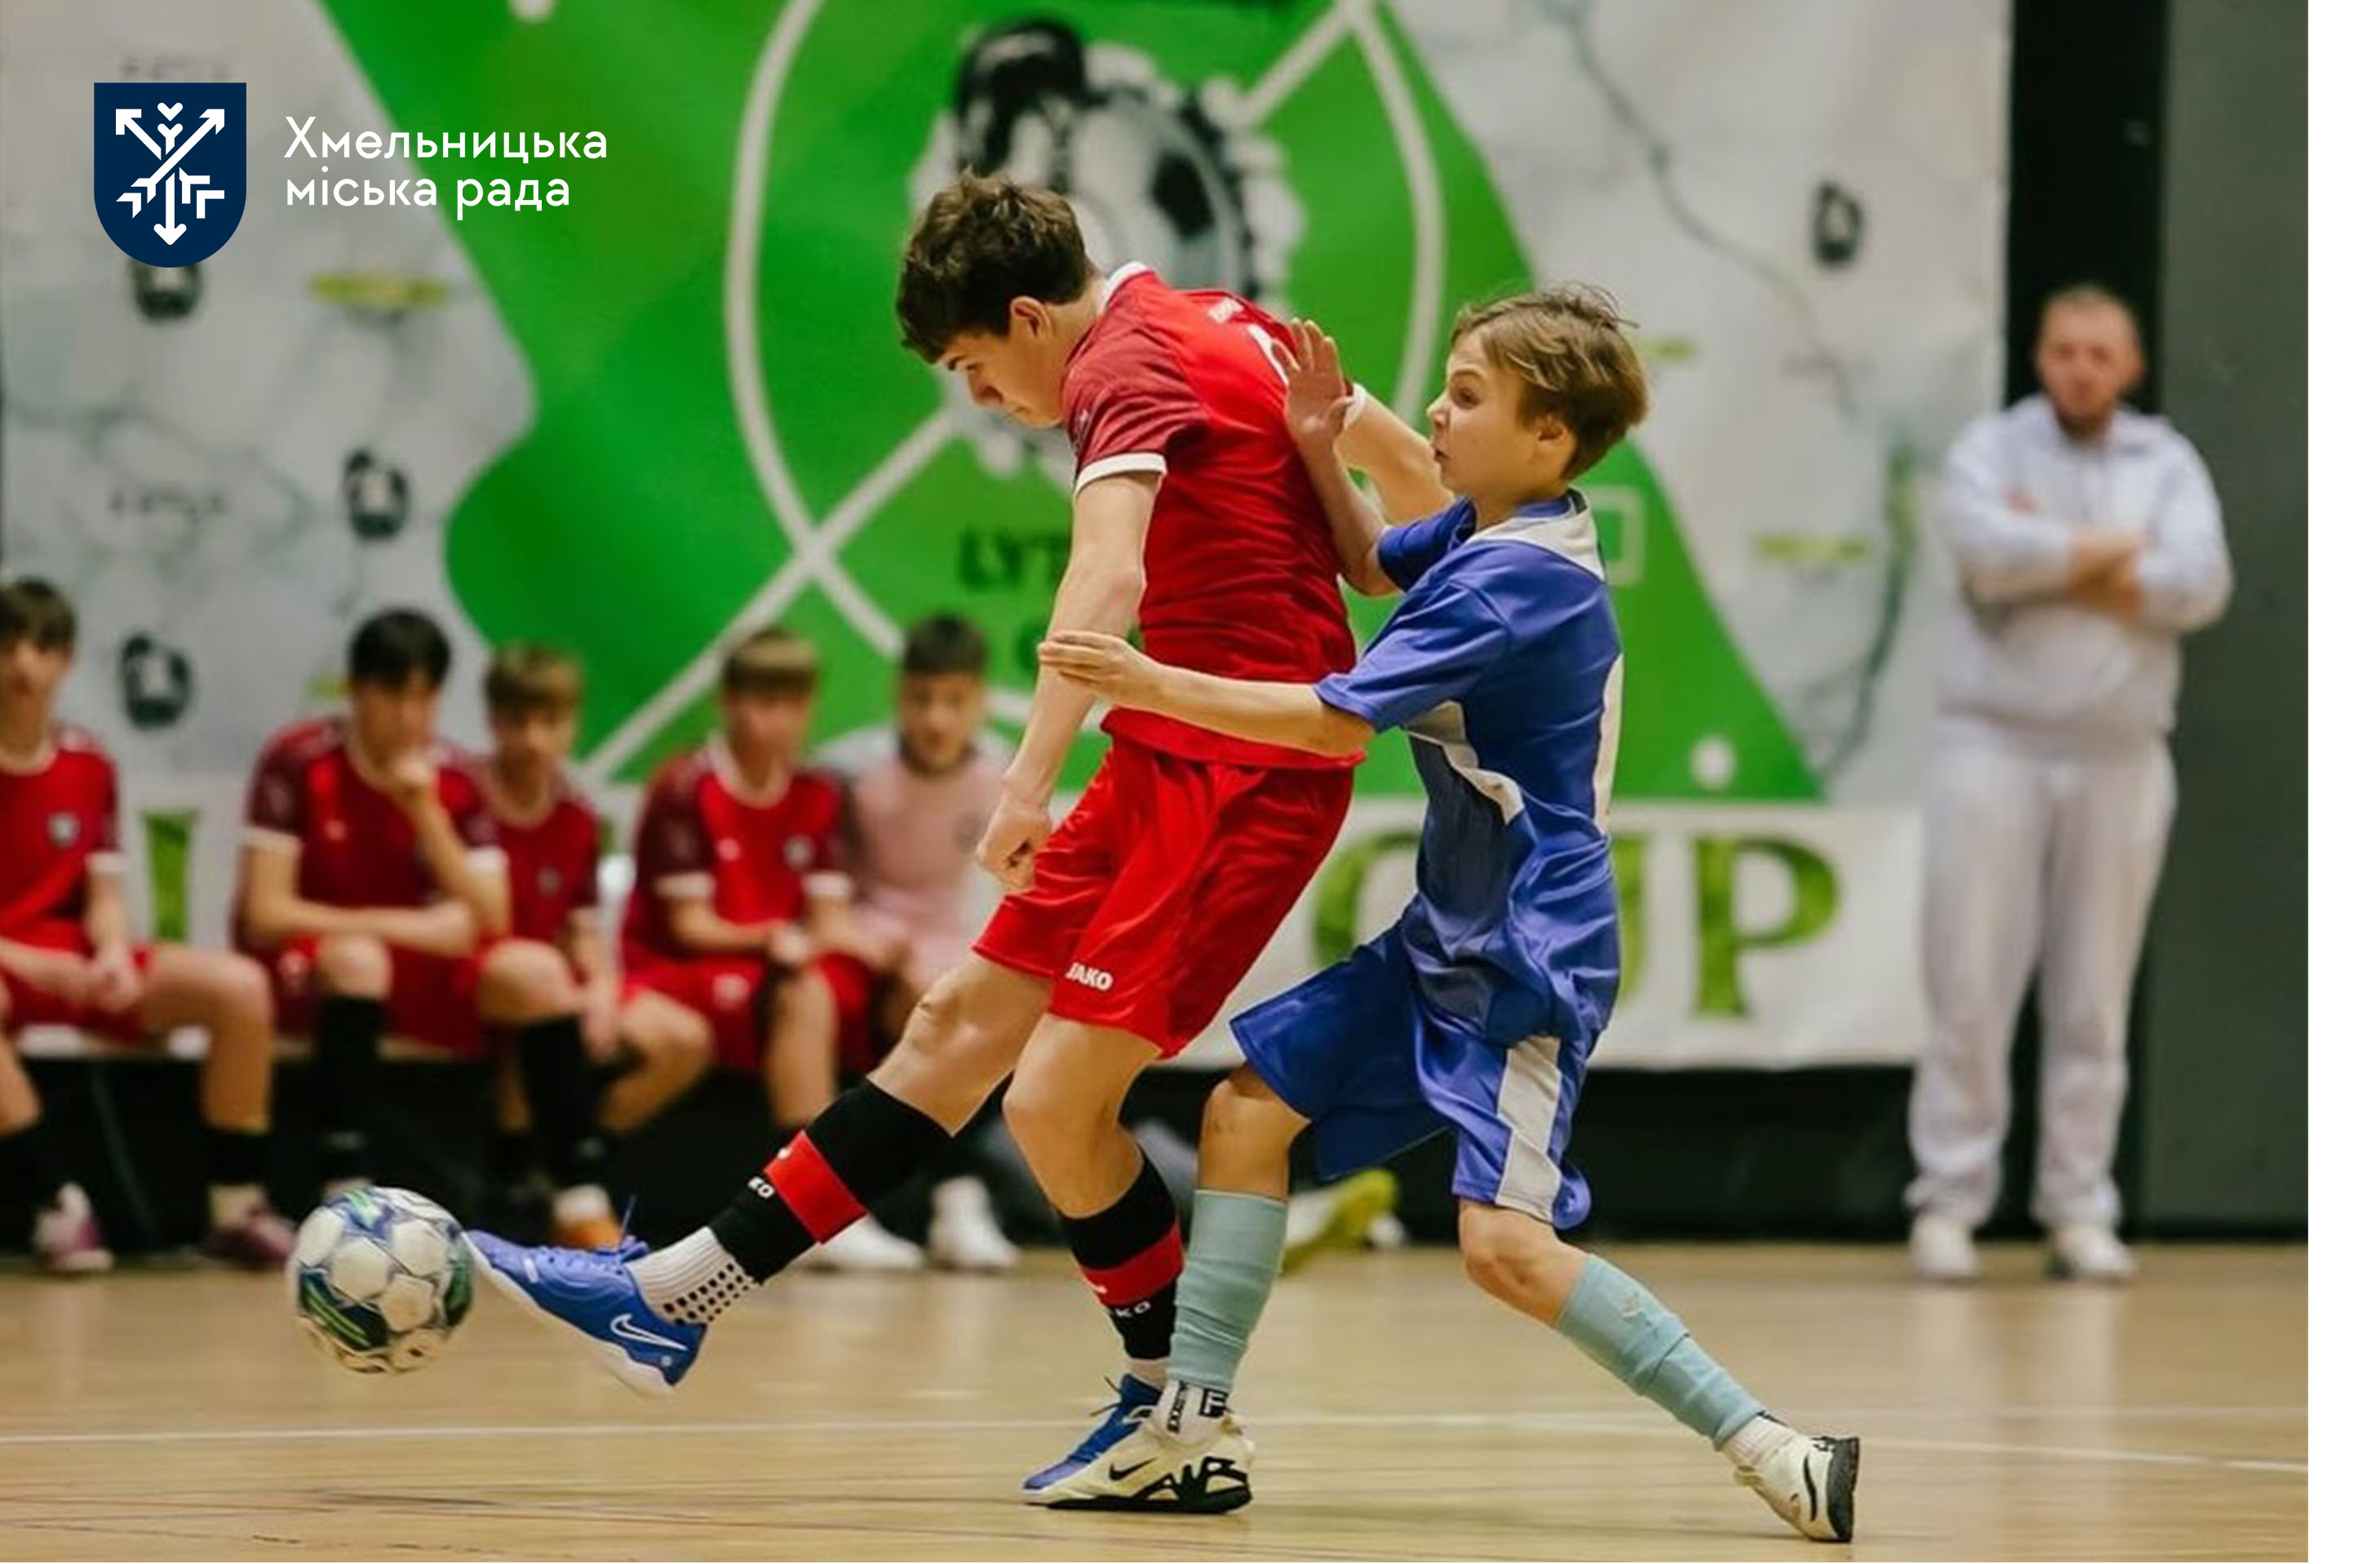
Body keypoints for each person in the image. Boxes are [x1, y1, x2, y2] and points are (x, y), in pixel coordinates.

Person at [466, 174, 1443, 1486]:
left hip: (1243, 780)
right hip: (1165, 753)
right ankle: (673, 1298)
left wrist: (1026, 783)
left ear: (1032, 319)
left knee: (1052, 1105)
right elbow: (1417, 476)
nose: (983, 398)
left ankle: (1182, 1417)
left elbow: (1106, 577)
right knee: (952, 1029)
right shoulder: (1231, 321)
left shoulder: (1121, 366)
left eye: (978, 368)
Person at [1029, 289, 1859, 1543]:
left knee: (1502, 1250)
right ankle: (1188, 1430)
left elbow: (1330, 724)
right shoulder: (1494, 525)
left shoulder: (1517, 585)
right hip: (1446, 935)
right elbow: (1373, 562)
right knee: (1244, 1116)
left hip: (1529, 951)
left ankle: (1773, 1447)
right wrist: (1320, 445)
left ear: (1549, 437)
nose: (1434, 410)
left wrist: (1150, 683)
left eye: (1467, 396)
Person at [1908, 284, 2232, 1284]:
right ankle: (1949, 1202)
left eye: (2100, 354)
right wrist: (2120, 556)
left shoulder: (2166, 462)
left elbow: (2201, 582)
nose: (2081, 370)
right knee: (1969, 983)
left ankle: (2078, 1206)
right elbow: (1986, 557)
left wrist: (2053, 554)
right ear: (2039, 357)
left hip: (2119, 755)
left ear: (2129, 366)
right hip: (1991, 748)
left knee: (2093, 994)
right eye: (2064, 351)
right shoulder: (1989, 450)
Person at [236, 609, 618, 1245]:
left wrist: (425, 812)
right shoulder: (299, 760)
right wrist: (409, 926)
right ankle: (345, 1191)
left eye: (425, 697)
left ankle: (579, 1194)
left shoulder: (453, 776)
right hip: (321, 966)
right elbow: (266, 913)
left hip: (420, 967)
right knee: (359, 959)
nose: (410, 716)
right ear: (355, 690)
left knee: (539, 972)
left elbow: (490, 915)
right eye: (393, 695)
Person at [0, 578, 295, 1272]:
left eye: (41, 647)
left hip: (74, 957)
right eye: (7, 646)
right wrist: (31, 964)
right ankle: (55, 1206)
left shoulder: (90, 761)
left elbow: (104, 891)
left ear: (66, 660)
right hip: (12, 962)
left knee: (241, 989)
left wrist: (108, 952)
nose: (23, 665)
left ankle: (234, 1207)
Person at [616, 629, 919, 1270]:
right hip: (680, 967)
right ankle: (811, 1215)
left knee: (908, 993)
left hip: (772, 958)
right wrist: (772, 937)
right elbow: (690, 924)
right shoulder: (686, 787)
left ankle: (941, 1193)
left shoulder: (816, 792)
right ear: (728, 703)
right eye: (760, 701)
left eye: (790, 703)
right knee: (805, 994)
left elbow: (828, 915)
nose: (774, 720)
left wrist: (882, 949)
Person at [814, 614, 1019, 1272]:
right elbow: (820, 884)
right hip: (863, 929)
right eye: (921, 699)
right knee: (937, 1008)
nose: (936, 718)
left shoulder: (1001, 767)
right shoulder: (849, 770)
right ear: (899, 694)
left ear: (979, 698)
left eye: (954, 700)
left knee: (988, 1007)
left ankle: (958, 1203)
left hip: (942, 937)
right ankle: (948, 1195)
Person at [479, 645, 709, 1230]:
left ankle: (569, 1160)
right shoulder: (464, 797)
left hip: (555, 981)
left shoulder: (578, 816)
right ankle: (554, 1181)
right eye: (518, 721)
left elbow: (582, 928)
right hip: (483, 975)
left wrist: (603, 990)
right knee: (537, 999)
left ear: (573, 725)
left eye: (550, 721)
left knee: (682, 1039)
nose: (534, 740)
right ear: (493, 720)